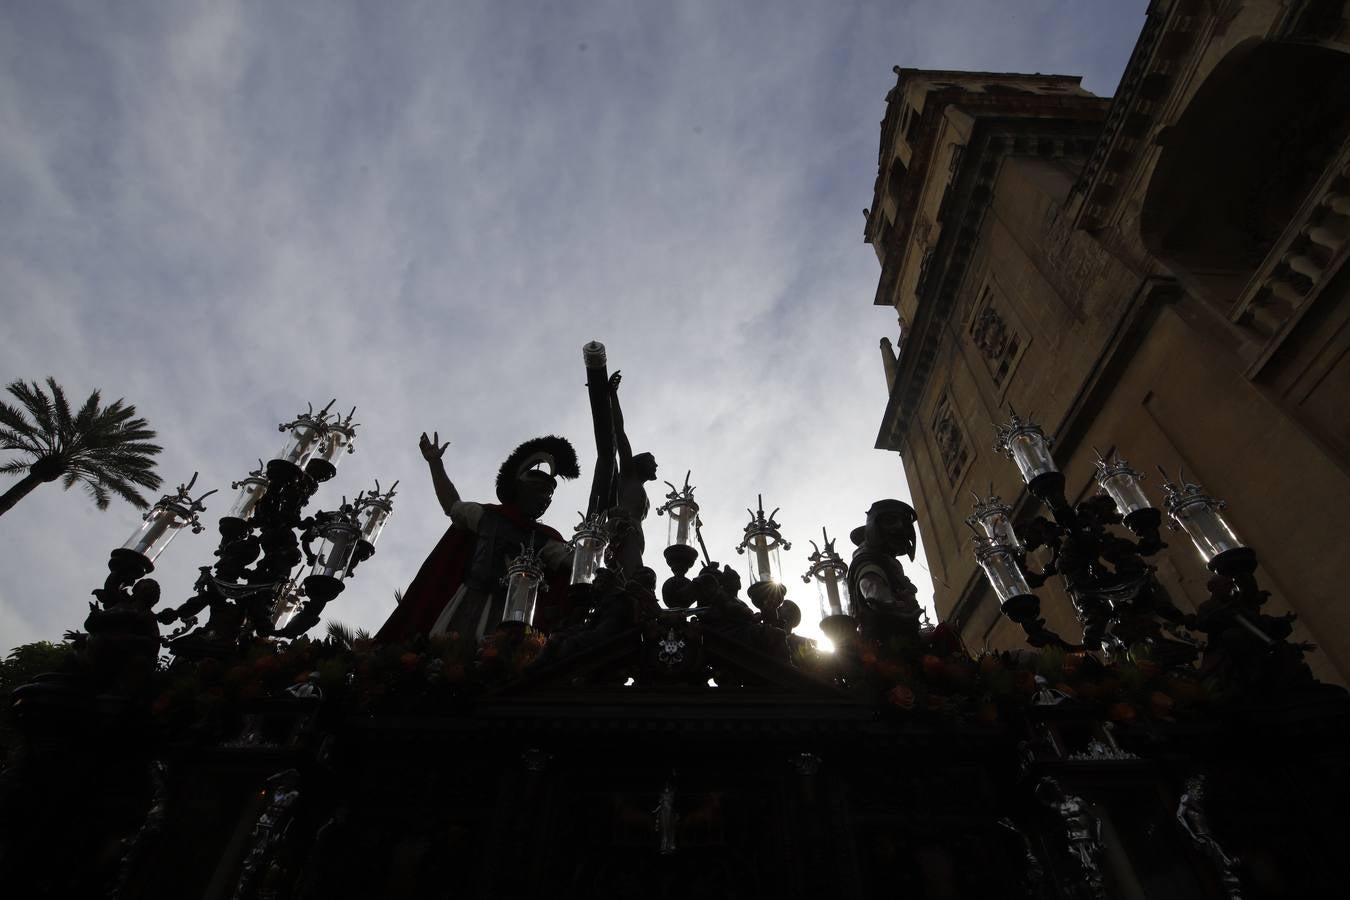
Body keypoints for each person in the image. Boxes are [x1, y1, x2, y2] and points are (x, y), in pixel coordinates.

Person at [376, 432, 579, 642]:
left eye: (548, 494)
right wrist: (435, 463)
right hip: (468, 598)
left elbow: (577, 561)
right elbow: (452, 505)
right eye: (540, 489)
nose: (544, 498)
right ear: (520, 486)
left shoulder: (545, 539)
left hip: (513, 616)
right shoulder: (486, 516)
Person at [604, 372, 658, 581]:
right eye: (652, 461)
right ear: (641, 463)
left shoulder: (640, 488)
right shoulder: (628, 476)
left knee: (630, 582)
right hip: (623, 532)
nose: (656, 466)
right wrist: (612, 396)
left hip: (635, 536)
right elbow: (620, 431)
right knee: (634, 583)